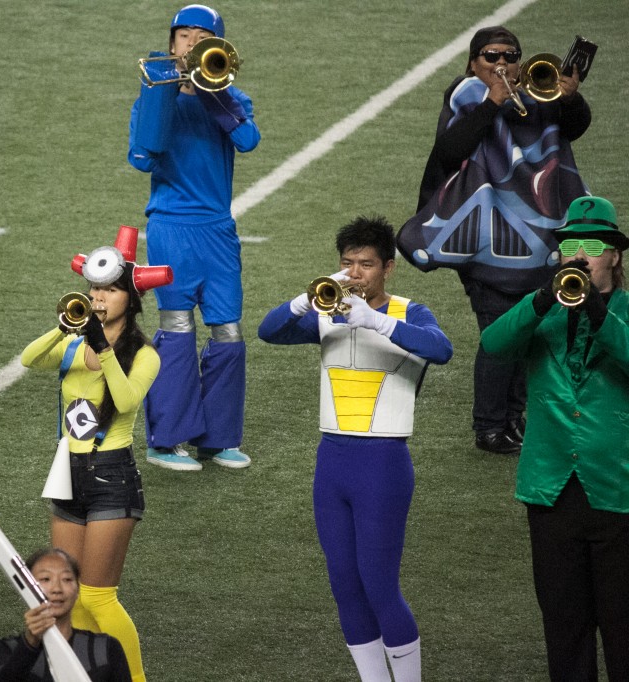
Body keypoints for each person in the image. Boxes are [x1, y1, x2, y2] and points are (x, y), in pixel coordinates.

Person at [258, 216, 453, 682]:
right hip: (332, 463)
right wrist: (304, 301)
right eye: (347, 263)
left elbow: (441, 349)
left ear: (389, 267)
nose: (355, 273)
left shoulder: (409, 312)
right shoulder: (328, 313)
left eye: (366, 264)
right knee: (344, 586)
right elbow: (270, 331)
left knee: (380, 585)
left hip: (382, 464)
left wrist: (378, 322)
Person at [396, 25, 591, 455]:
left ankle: (513, 419)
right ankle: (489, 426)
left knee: (530, 328)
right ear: (472, 63)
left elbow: (574, 129)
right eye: (490, 56)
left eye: (510, 55)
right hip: (480, 239)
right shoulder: (466, 95)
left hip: (537, 238)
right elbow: (450, 150)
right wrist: (492, 104)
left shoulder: (540, 96)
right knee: (501, 331)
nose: (501, 63)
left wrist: (571, 97)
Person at [480, 196, 629, 682]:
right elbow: (494, 344)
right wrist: (542, 299)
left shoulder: (624, 312)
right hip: (551, 489)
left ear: (614, 256)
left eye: (591, 245)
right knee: (564, 625)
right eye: (570, 245)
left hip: (617, 491)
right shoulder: (541, 309)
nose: (579, 255)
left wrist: (599, 314)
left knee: (623, 626)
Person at [20, 228, 168, 682]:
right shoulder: (70, 344)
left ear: (131, 298)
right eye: (94, 290)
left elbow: (124, 402)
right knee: (69, 597)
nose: (99, 298)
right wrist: (65, 324)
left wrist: (102, 348)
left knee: (99, 596)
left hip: (111, 475)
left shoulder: (145, 354)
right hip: (67, 471)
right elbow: (28, 358)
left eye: (109, 290)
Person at [129, 4, 260, 471]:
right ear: (171, 44)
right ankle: (165, 441)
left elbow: (248, 141)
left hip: (218, 230)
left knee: (227, 329)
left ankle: (218, 439)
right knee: (178, 327)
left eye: (201, 36)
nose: (190, 43)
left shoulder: (230, 96)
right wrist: (166, 87)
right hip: (171, 227)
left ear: (218, 48)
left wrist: (211, 92)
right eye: (183, 36)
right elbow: (144, 156)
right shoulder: (153, 94)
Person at [0, 548, 133, 682]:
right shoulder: (0, 652)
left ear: (78, 589)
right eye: (45, 579)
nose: (57, 589)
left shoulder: (105, 650)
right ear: (26, 589)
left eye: (66, 579)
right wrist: (29, 643)